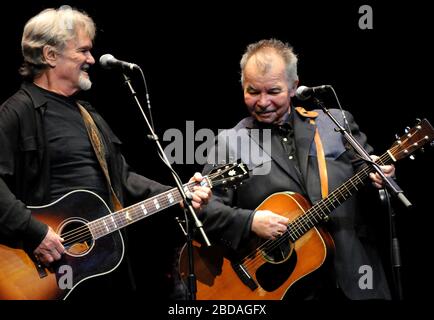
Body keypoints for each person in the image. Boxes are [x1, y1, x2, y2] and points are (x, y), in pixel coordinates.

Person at [0, 7, 210, 299]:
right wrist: (33, 232)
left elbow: (122, 177)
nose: (91, 59)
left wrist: (178, 192)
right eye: (83, 51)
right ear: (50, 56)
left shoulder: (89, 114)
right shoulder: (17, 113)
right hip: (43, 269)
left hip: (97, 265)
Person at [199, 39, 394, 300]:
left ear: (294, 87)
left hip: (355, 276)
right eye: (252, 91)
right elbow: (205, 209)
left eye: (273, 91)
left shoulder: (335, 123)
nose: (263, 102)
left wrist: (382, 176)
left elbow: (372, 177)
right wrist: (250, 222)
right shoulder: (229, 144)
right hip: (285, 286)